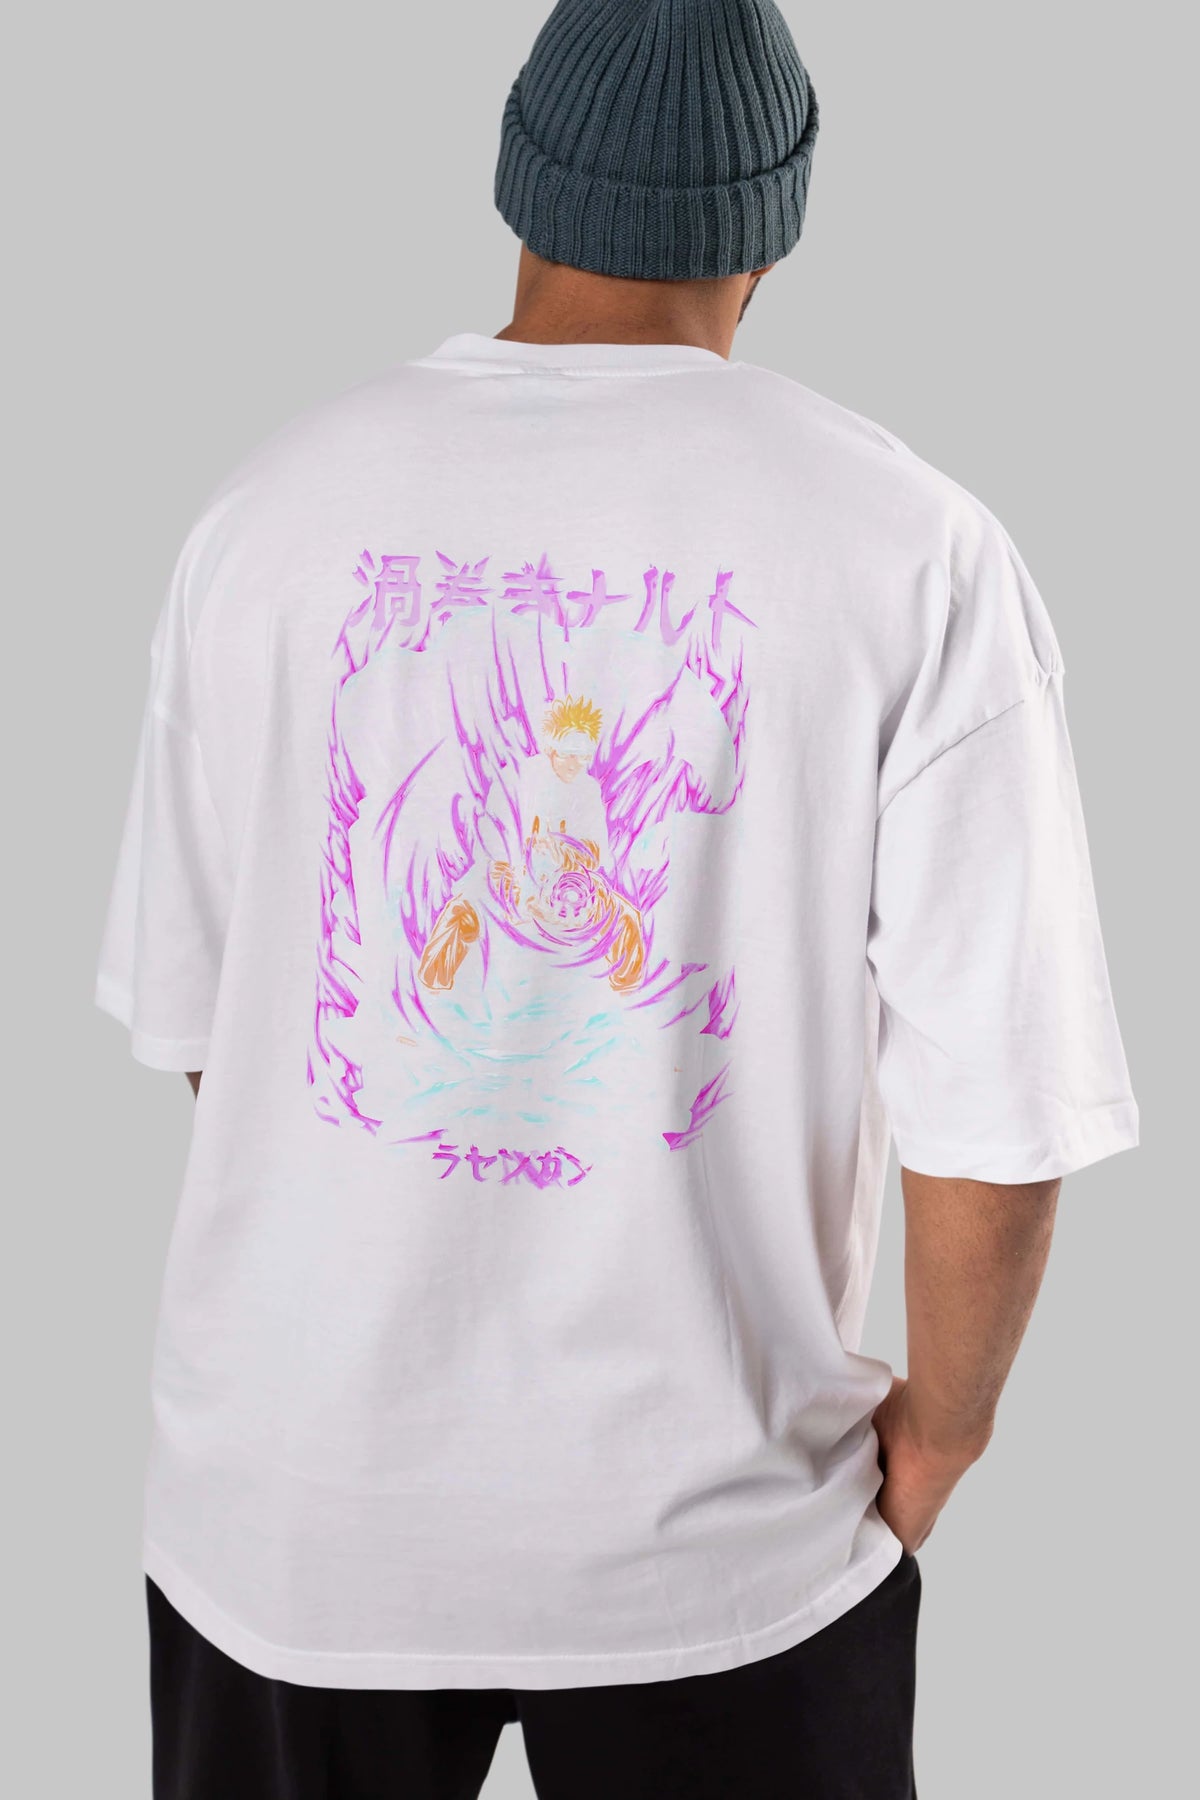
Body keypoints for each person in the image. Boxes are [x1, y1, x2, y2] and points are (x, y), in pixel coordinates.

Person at [95, 3, 1138, 1796]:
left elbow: (222, 1033)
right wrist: (940, 1441)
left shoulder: (262, 517)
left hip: (290, 1529)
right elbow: (999, 1125)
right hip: (723, 1550)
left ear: (518, 182)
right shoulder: (917, 553)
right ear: (770, 233)